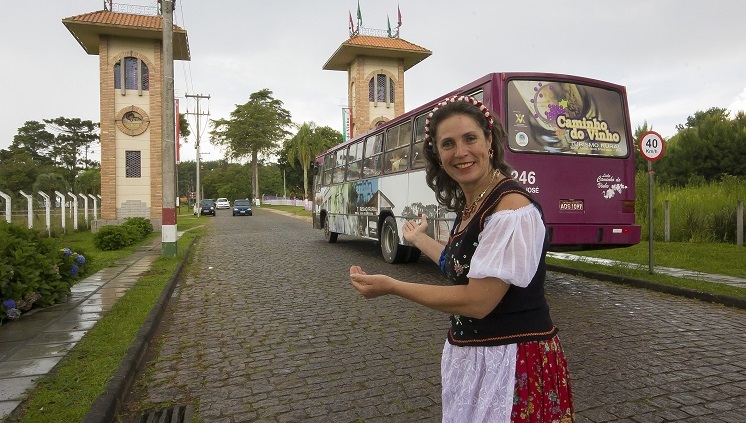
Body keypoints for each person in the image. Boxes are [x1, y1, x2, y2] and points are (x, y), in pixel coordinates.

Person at [349, 96, 574, 422]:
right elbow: (462, 265)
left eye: (470, 138)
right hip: (475, 358)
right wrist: (418, 239)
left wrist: (392, 286)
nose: (461, 152)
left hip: (512, 363)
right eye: (448, 144)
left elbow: (477, 301)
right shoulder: (474, 204)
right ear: (439, 156)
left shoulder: (511, 209)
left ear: (489, 142)